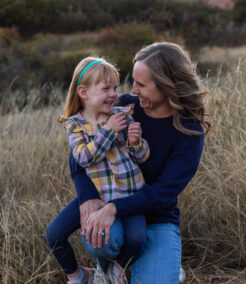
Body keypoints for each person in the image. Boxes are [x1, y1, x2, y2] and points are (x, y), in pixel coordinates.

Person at [73, 42, 210, 283]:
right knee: (101, 239)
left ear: (167, 86)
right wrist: (87, 197)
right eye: (133, 81)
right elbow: (80, 152)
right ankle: (107, 266)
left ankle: (159, 266)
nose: (133, 90)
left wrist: (114, 208)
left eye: (142, 84)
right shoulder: (126, 108)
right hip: (111, 209)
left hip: (157, 218)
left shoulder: (189, 131)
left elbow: (163, 193)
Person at [46, 57, 150, 284]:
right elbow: (82, 157)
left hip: (131, 194)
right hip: (97, 196)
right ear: (83, 92)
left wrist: (136, 142)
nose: (114, 94)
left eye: (115, 87)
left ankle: (117, 270)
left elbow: (141, 157)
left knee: (137, 238)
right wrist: (109, 131)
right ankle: (78, 276)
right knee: (54, 235)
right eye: (106, 89)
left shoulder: (122, 114)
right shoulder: (75, 125)